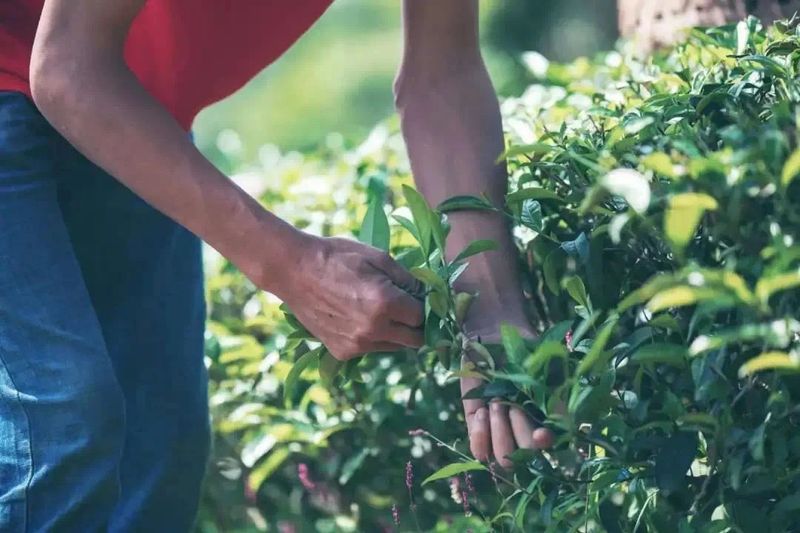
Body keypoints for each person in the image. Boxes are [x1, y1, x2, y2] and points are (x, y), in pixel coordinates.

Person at [0, 1, 551, 530]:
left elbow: (442, 75)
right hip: (50, 72)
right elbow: (68, 66)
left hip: (129, 98)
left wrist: (488, 318)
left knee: (157, 453)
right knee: (62, 423)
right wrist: (291, 266)